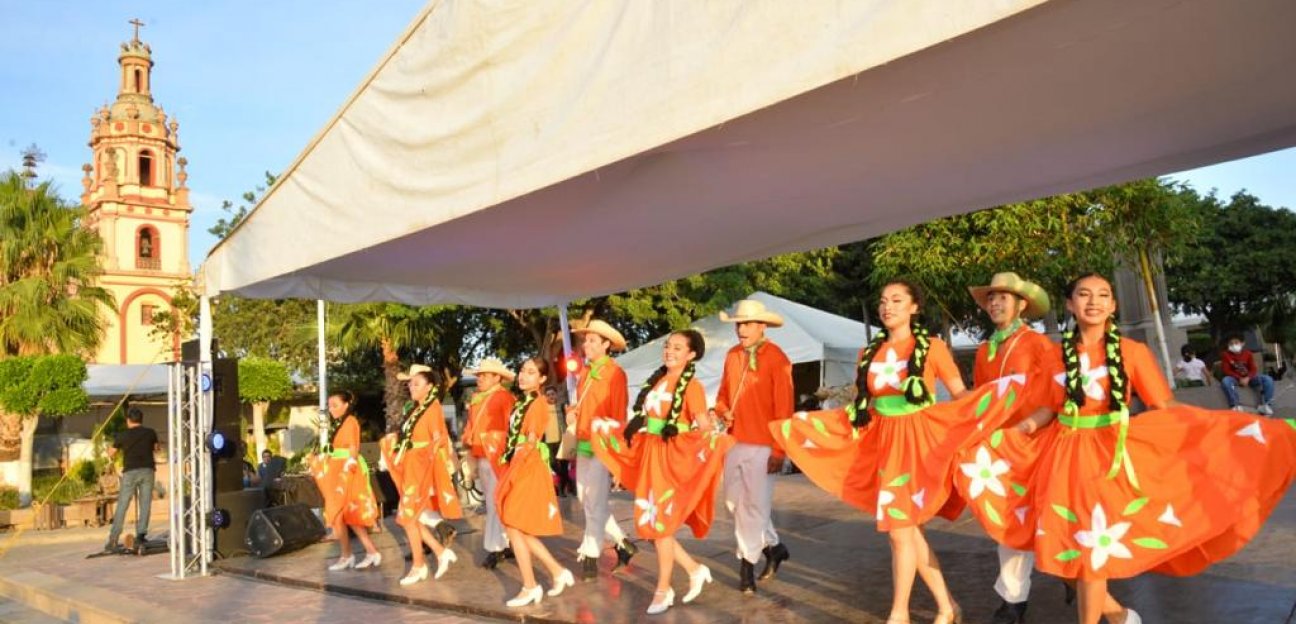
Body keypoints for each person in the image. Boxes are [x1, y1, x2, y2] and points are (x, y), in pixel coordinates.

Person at [1003, 273, 1296, 624]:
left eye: (1102, 295)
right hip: (1063, 458)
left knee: (1090, 551)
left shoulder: (1133, 352)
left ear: (1113, 305)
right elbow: (1047, 407)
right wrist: (1021, 428)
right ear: (1070, 303)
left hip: (1110, 457)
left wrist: (1214, 425)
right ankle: (1120, 615)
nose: (1093, 302)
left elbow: (1164, 404)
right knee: (1059, 550)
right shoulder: (1053, 356)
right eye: (1084, 294)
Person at [771, 280, 1021, 624]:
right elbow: (863, 406)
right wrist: (810, 424)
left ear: (914, 307)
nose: (888, 306)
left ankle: (899, 613)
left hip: (919, 444)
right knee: (906, 531)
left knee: (900, 531)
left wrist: (994, 406)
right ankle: (947, 606)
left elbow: (961, 394)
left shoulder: (932, 347)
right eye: (884, 301)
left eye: (897, 300)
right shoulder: (867, 353)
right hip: (885, 444)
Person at [589, 329, 734, 614]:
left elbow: (702, 425)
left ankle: (663, 589)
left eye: (677, 348)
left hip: (672, 458)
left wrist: (713, 439)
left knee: (659, 527)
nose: (669, 351)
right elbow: (646, 421)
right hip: (652, 455)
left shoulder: (690, 386)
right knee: (653, 527)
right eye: (668, 346)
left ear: (691, 355)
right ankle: (694, 569)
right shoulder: (658, 381)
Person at [958, 272, 1059, 624]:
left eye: (1003, 298)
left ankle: (1074, 575)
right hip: (999, 448)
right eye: (991, 298)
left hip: (1036, 440)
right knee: (1009, 516)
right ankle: (1014, 600)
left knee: (1051, 515)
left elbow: (1054, 395)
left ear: (1022, 305)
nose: (996, 303)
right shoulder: (985, 350)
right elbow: (982, 400)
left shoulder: (1039, 344)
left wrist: (1029, 426)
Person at [713, 299, 795, 593]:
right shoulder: (732, 355)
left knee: (755, 508)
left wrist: (779, 450)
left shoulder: (778, 358)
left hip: (764, 445)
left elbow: (785, 408)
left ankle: (746, 566)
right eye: (739, 323)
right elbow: (722, 396)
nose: (741, 329)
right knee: (734, 504)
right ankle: (774, 547)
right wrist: (723, 411)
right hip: (735, 441)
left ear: (762, 326)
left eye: (747, 323)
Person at [489, 357, 574, 607]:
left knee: (514, 525)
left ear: (542, 379)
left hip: (527, 467)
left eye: (530, 372)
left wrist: (513, 466)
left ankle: (530, 586)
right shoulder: (520, 404)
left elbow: (531, 441)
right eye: (522, 371)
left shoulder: (537, 404)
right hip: (517, 465)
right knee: (518, 528)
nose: (523, 376)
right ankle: (557, 572)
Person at [565, 319, 637, 579]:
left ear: (607, 344)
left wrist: (617, 455)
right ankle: (622, 543)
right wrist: (573, 413)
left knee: (594, 501)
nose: (587, 344)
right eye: (586, 340)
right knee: (586, 500)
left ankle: (591, 557)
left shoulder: (615, 373)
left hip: (603, 443)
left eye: (593, 340)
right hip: (583, 441)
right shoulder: (584, 372)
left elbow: (619, 415)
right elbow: (582, 405)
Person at [380, 365, 463, 586]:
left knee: (407, 517)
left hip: (420, 468)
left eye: (416, 383)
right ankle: (437, 553)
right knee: (411, 518)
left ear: (429, 386)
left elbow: (438, 440)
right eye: (409, 383)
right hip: (412, 465)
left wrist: (428, 467)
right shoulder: (416, 409)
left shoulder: (432, 407)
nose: (411, 386)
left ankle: (420, 564)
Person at [311, 390, 382, 571]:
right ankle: (368, 552)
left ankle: (347, 555)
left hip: (346, 470)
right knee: (345, 516)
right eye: (330, 406)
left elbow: (352, 447)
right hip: (338, 469)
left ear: (346, 405)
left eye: (335, 405)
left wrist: (348, 466)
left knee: (339, 513)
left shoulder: (350, 422)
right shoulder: (341, 424)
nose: (331, 409)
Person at [460, 357, 517, 569]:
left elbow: (512, 428)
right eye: (479, 376)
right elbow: (471, 427)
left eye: (484, 375)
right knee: (494, 502)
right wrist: (469, 446)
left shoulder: (504, 398)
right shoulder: (477, 399)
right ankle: (506, 542)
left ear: (497, 378)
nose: (480, 379)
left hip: (497, 457)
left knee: (495, 503)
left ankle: (496, 547)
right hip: (481, 455)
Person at [104, 408, 159, 553]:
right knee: (145, 503)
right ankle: (141, 535)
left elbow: (112, 453)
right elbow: (156, 448)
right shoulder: (150, 432)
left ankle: (113, 538)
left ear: (128, 420)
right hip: (147, 470)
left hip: (130, 472)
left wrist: (108, 449)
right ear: (141, 419)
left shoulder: (123, 435)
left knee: (123, 503)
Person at [1219, 334, 1275, 414]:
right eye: (1231, 344)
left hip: (1249, 377)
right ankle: (1235, 405)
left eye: (1236, 343)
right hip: (1235, 378)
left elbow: (1253, 369)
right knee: (1226, 381)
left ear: (1242, 343)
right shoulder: (1226, 355)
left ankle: (1266, 405)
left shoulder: (1248, 353)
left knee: (1268, 379)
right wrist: (1239, 378)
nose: (1233, 345)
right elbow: (1226, 370)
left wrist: (1248, 378)